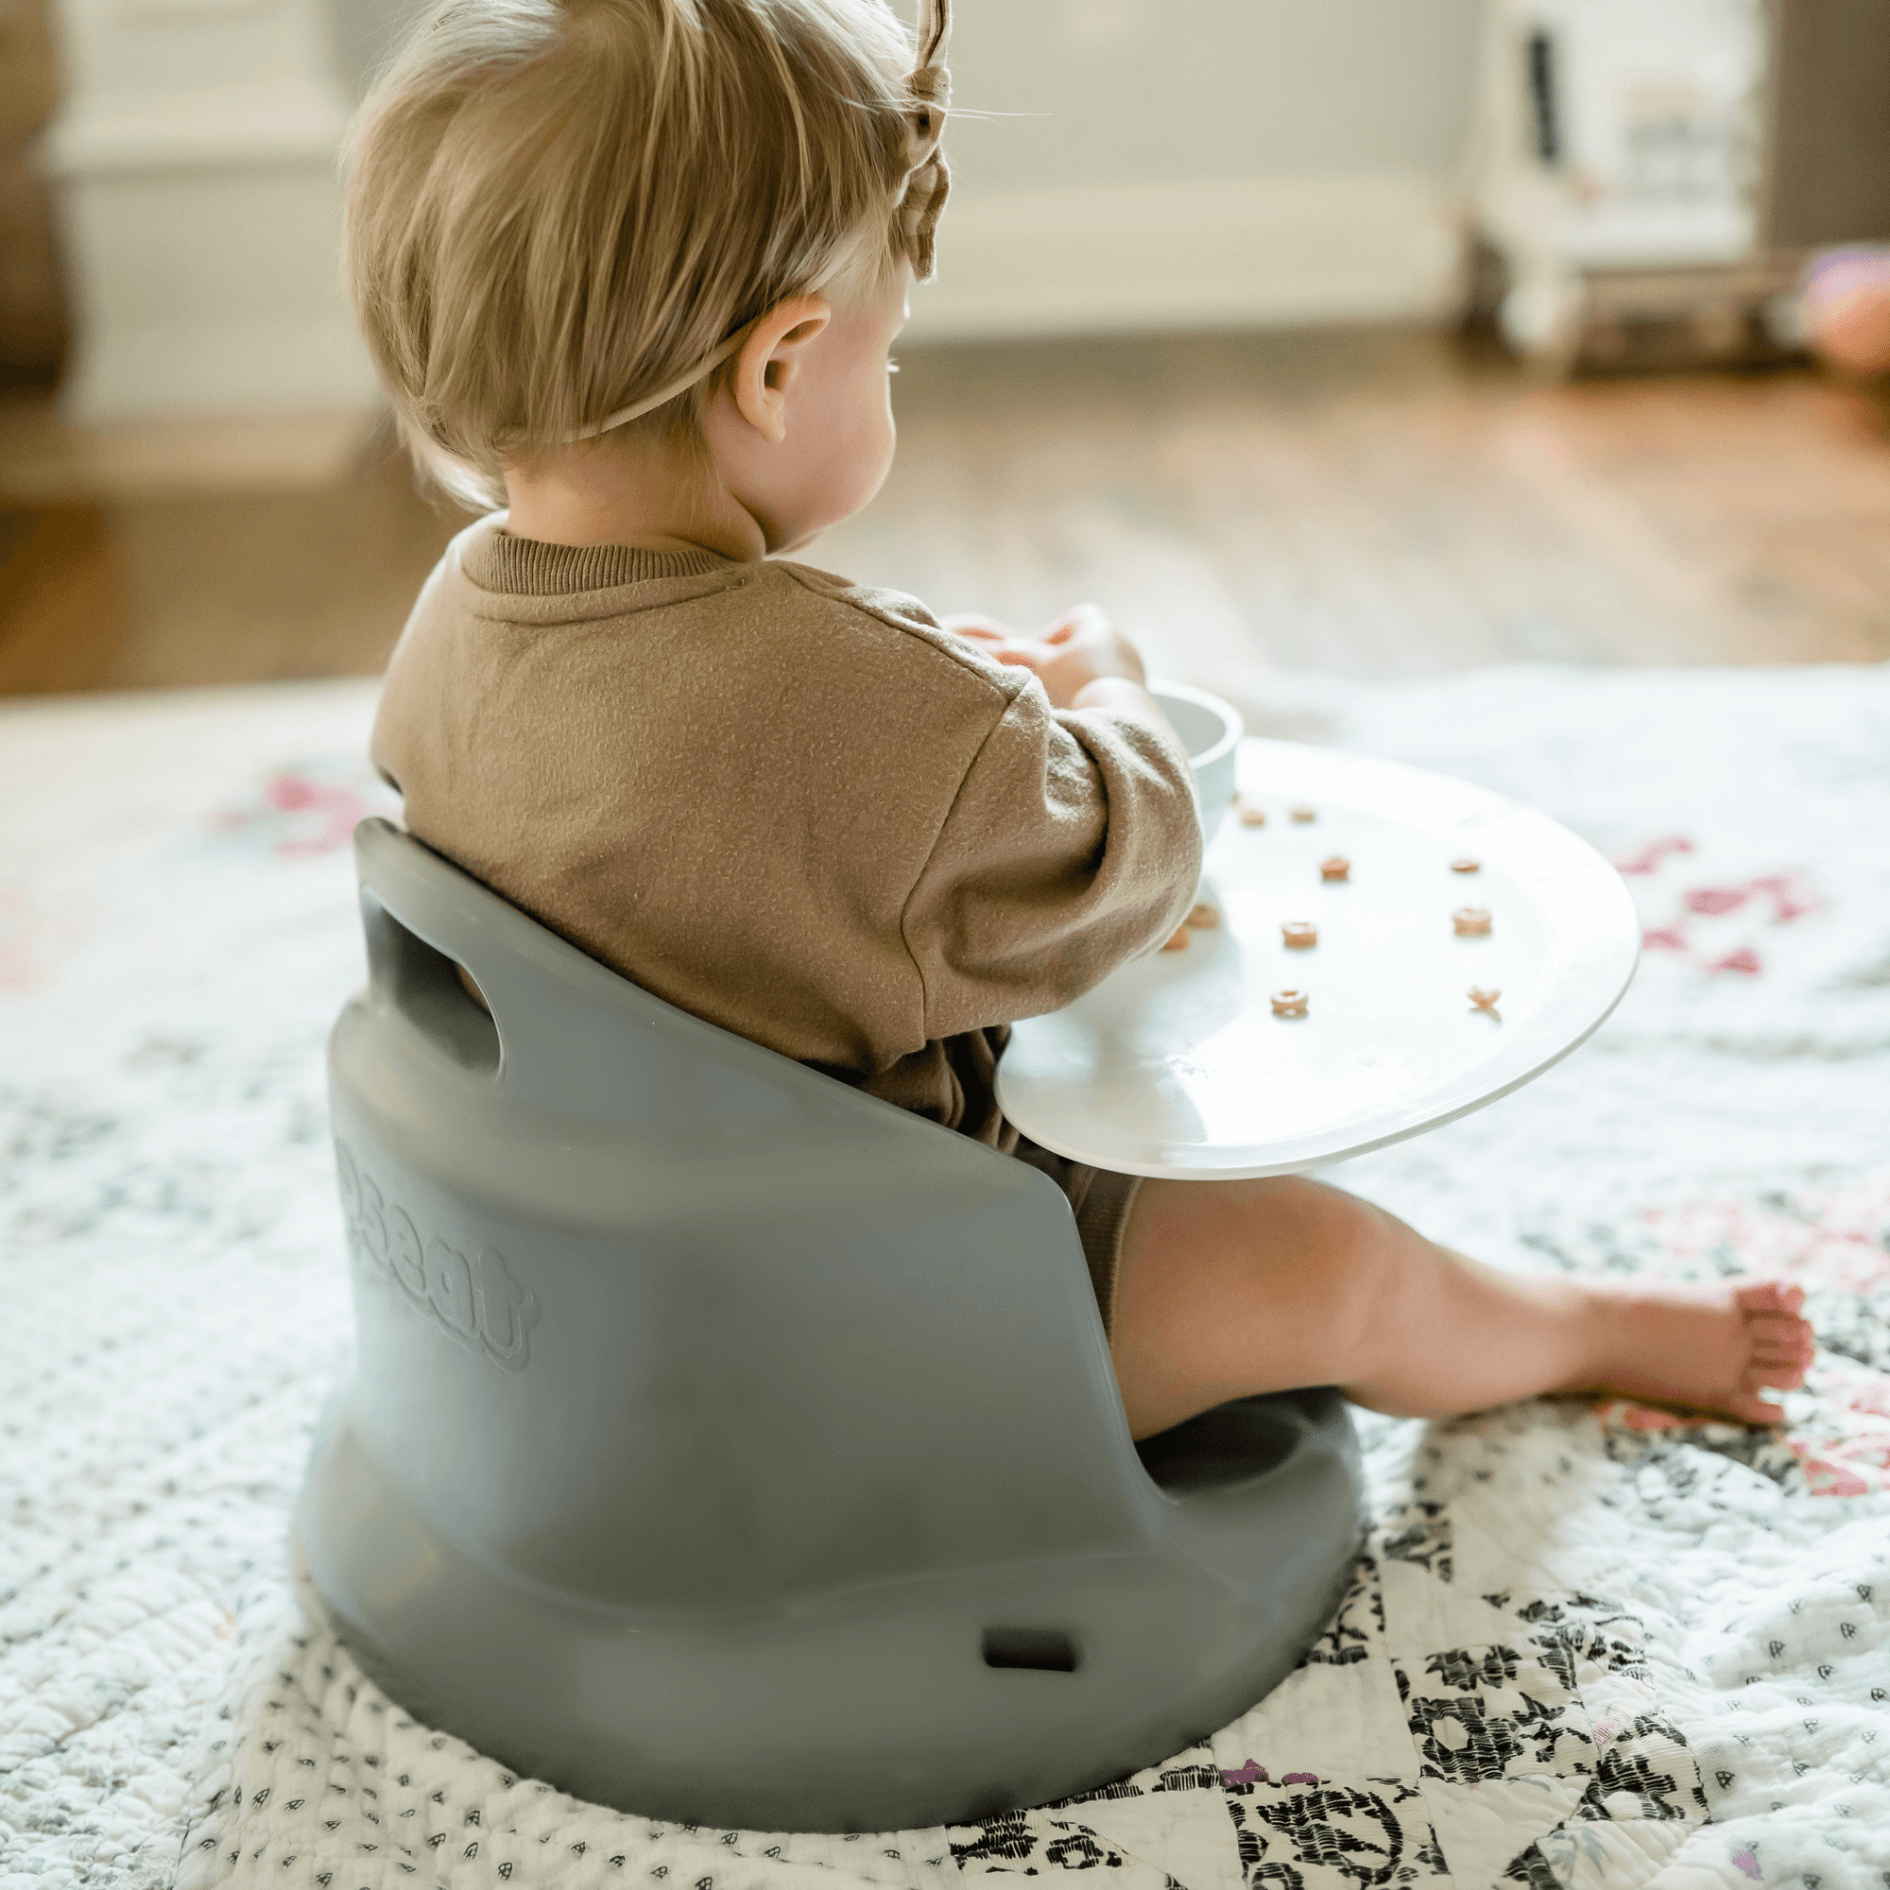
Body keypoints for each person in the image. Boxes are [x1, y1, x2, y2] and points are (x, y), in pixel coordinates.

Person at [346, 0, 1815, 1442]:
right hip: (878, 1331)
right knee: (1334, 1262)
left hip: (596, 1290)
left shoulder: (450, 616)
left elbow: (697, 798)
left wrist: (927, 703)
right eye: (890, 351)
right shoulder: (864, 711)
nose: (891, 374)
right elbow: (1121, 862)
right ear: (780, 370)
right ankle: (1583, 1331)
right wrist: (1101, 687)